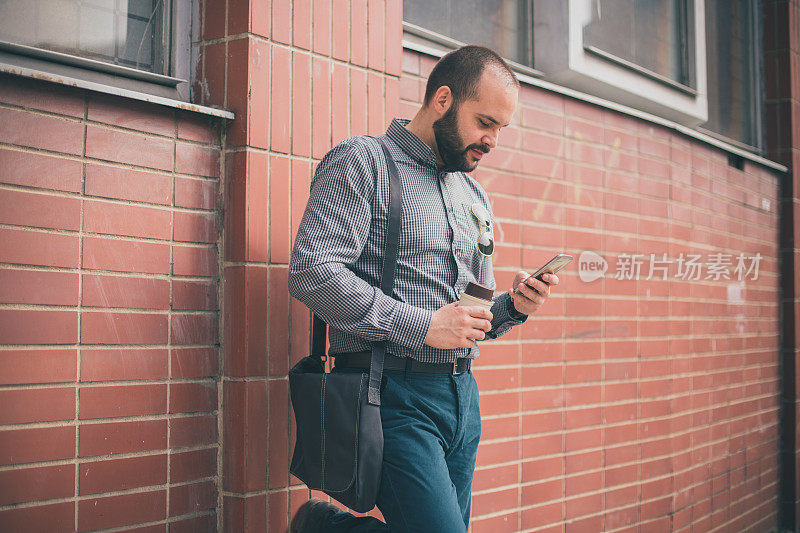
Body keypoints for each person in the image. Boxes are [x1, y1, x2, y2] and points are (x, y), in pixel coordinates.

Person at [288, 45, 559, 532]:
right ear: (442, 99)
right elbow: (310, 271)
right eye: (484, 122)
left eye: (500, 128)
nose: (492, 140)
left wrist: (512, 308)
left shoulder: (473, 194)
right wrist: (424, 325)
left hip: (461, 400)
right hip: (389, 392)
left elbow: (466, 320)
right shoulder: (363, 162)